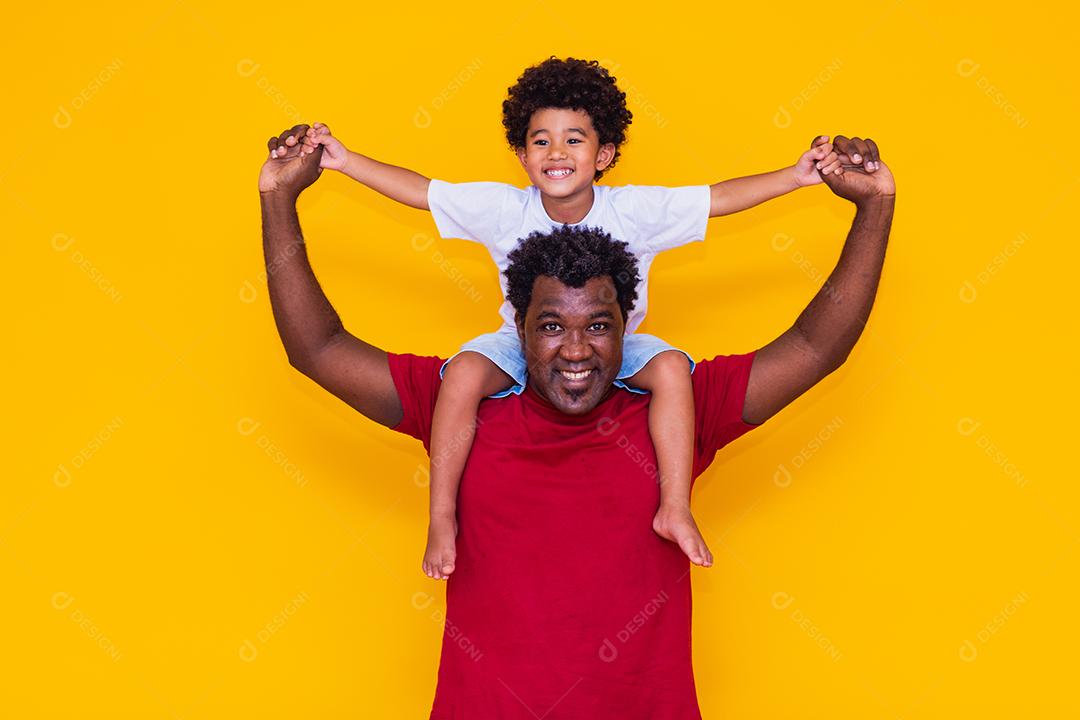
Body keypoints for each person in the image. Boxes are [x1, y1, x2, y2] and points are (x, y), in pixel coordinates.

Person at [258, 122, 895, 718]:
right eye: (550, 326)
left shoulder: (673, 412)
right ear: (520, 328)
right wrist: (279, 199)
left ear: (627, 327)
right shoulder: (467, 405)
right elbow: (318, 348)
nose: (574, 350)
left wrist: (873, 208)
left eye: (598, 325)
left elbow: (816, 346)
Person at [276, 57, 849, 578]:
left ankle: (674, 508)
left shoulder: (636, 210)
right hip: (517, 343)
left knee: (673, 368)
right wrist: (344, 161)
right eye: (541, 141)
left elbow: (717, 198)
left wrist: (794, 177)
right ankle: (443, 516)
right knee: (463, 378)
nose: (556, 153)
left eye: (574, 140)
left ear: (602, 156)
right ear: (523, 156)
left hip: (613, 347)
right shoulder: (504, 208)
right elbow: (423, 191)